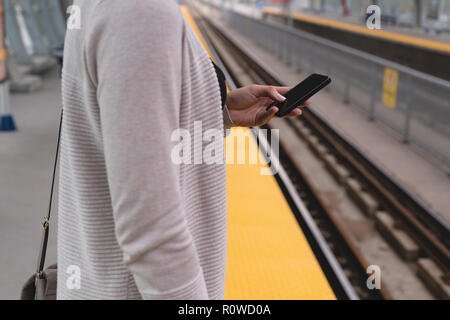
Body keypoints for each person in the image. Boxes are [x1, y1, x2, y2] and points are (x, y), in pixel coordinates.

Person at [58, 0, 308, 300]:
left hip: (104, 279)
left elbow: (119, 123)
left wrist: (219, 108)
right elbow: (151, 232)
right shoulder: (141, 11)